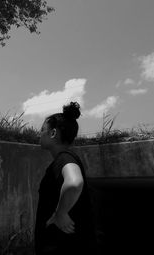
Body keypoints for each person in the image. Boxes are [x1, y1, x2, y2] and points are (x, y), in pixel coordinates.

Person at [34, 102, 96, 255]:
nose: (39, 133)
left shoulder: (65, 158)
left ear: (53, 133)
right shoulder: (63, 159)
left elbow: (75, 183)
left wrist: (60, 213)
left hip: (62, 246)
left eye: (42, 130)